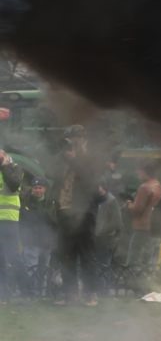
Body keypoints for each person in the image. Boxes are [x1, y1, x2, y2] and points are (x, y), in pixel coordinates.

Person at [51, 126, 100, 306]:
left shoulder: (91, 159)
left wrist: (74, 160)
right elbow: (53, 175)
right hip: (64, 212)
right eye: (69, 139)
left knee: (86, 255)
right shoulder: (64, 158)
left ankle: (90, 295)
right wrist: (64, 155)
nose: (71, 142)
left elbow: (90, 180)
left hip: (84, 213)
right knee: (66, 255)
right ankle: (70, 294)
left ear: (83, 139)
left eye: (74, 139)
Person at [20, 178, 57, 295]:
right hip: (31, 241)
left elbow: (54, 221)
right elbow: (23, 220)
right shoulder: (25, 202)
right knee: (31, 268)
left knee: (44, 269)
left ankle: (42, 293)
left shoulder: (51, 203)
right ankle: (31, 292)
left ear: (45, 189)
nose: (37, 190)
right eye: (35, 188)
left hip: (46, 242)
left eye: (40, 188)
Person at [125, 163, 161, 270]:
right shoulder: (158, 185)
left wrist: (129, 204)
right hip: (153, 226)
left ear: (144, 172)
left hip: (141, 226)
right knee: (150, 257)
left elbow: (137, 210)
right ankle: (148, 280)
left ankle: (131, 280)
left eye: (139, 171)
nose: (137, 173)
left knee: (134, 256)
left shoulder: (144, 187)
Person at [0, 150, 23, 303]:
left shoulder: (15, 168)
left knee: (12, 258)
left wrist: (5, 166)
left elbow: (14, 185)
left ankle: (21, 289)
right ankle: (3, 293)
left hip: (10, 221)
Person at [93, 178, 123, 287]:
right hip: (97, 238)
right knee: (98, 264)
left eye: (98, 187)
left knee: (105, 264)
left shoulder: (111, 200)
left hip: (107, 239)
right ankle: (99, 288)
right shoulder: (97, 200)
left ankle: (105, 289)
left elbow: (117, 222)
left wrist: (101, 230)